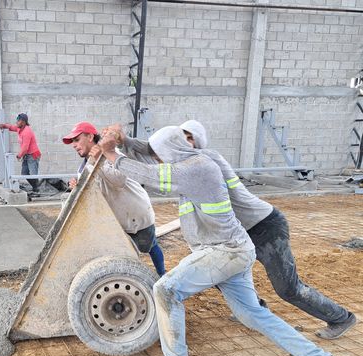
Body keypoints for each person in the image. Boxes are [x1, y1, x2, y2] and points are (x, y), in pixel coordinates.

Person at [93, 126, 343, 356]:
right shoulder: (190, 161)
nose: (156, 158)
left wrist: (111, 153)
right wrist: (124, 141)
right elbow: (148, 155)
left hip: (224, 251)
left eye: (159, 154)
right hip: (232, 249)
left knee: (166, 289)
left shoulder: (196, 168)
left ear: (172, 150)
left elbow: (149, 173)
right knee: (252, 314)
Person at [116, 120, 356, 340]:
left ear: (198, 142)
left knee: (288, 288)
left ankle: (341, 318)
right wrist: (124, 141)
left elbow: (152, 168)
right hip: (233, 235)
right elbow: (153, 152)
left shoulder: (205, 161)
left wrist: (118, 149)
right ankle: (255, 309)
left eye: (190, 137)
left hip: (264, 228)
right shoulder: (185, 162)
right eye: (182, 137)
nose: (186, 142)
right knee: (216, 272)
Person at [62, 121, 165, 275]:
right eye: (72, 142)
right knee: (127, 255)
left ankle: (162, 274)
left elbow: (119, 180)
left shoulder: (113, 154)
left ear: (90, 137)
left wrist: (99, 159)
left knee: (150, 246)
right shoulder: (83, 167)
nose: (74, 145)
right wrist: (77, 186)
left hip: (137, 213)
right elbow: (92, 193)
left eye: (77, 140)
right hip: (118, 220)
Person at [0, 113, 42, 192]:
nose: (17, 122)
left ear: (23, 122)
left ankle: (37, 189)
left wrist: (19, 155)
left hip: (33, 155)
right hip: (26, 155)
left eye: (18, 121)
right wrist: (3, 125)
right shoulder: (20, 128)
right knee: (24, 173)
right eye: (17, 120)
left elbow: (25, 148)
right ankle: (36, 187)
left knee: (33, 175)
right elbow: (11, 127)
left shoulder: (27, 132)